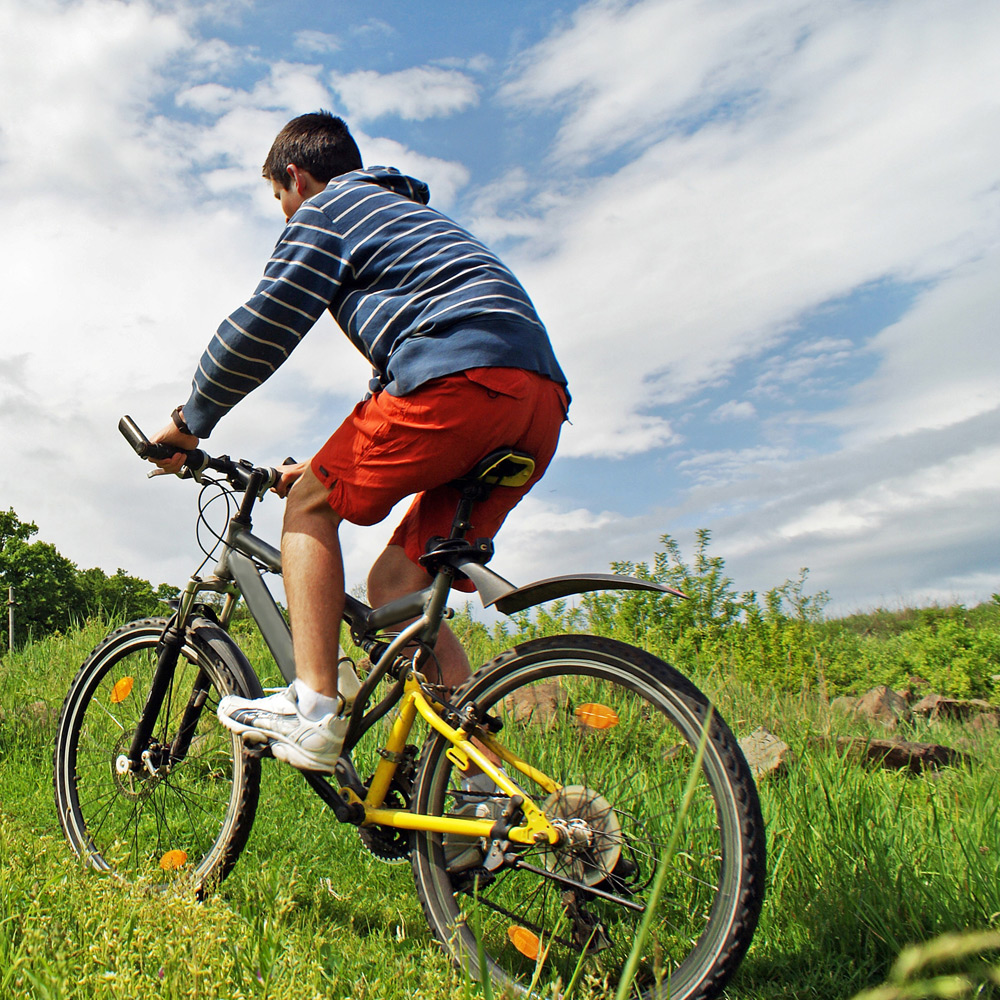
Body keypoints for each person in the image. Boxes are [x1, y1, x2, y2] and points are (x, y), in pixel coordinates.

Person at [149, 112, 568, 774]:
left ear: (295, 176)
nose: (283, 215)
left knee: (310, 507)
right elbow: (393, 392)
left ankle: (313, 707)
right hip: (537, 400)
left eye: (278, 199)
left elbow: (264, 322)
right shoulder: (408, 225)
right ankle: (483, 784)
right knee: (396, 583)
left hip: (457, 380)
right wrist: (320, 465)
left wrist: (191, 417)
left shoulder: (332, 207)